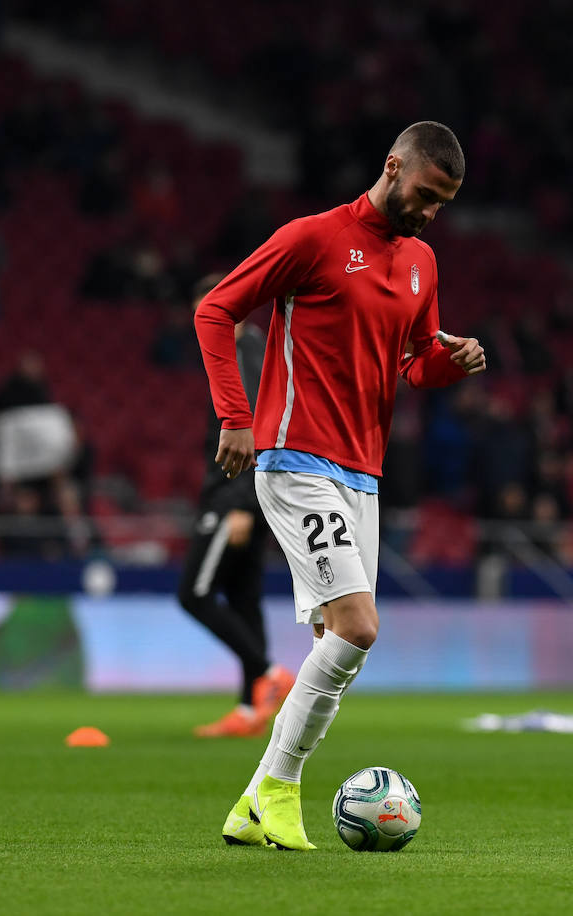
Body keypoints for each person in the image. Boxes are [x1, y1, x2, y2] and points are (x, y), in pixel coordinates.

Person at [194, 121, 485, 850]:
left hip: (364, 473)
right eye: (424, 194)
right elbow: (216, 309)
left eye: (444, 203)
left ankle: (253, 804)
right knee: (358, 628)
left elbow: (417, 362)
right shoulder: (314, 238)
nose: (429, 212)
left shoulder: (421, 261)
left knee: (340, 642)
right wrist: (235, 415)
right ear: (392, 167)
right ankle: (281, 790)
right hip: (295, 458)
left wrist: (456, 362)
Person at [179, 273, 295, 739]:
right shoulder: (249, 349)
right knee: (244, 599)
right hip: (249, 494)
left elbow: (257, 426)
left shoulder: (244, 352)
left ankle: (267, 671)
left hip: (234, 496)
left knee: (196, 594)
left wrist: (243, 503)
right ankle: (250, 710)